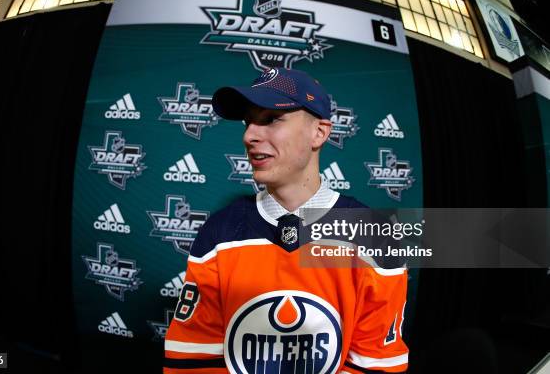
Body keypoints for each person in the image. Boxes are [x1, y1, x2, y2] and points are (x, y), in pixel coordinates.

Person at [163, 68, 408, 373]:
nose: (249, 135)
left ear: (319, 132)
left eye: (271, 119)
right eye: (248, 122)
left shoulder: (375, 236)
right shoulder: (219, 233)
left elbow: (375, 365)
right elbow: (193, 360)